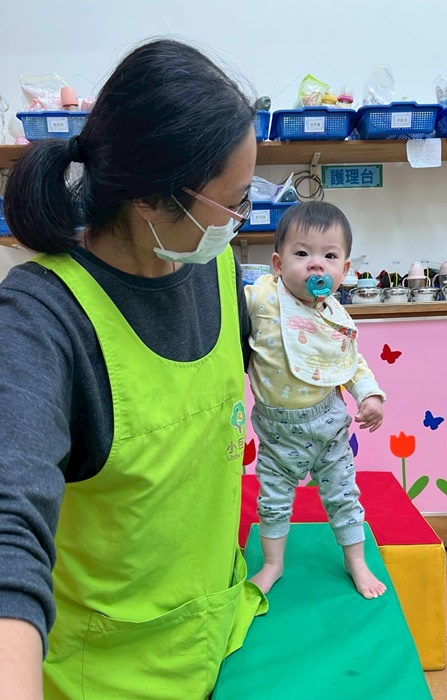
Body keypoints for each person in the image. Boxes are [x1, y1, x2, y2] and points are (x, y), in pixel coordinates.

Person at [0, 38, 267, 699]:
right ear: (150, 198)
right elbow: (10, 525)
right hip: (105, 677)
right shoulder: (41, 319)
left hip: (217, 637)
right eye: (232, 203)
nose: (240, 221)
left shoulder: (217, 266)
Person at [245, 201, 387, 598]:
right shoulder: (262, 298)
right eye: (302, 253)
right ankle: (273, 564)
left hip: (328, 429)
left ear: (344, 269)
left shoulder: (335, 316)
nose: (316, 265)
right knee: (273, 501)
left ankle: (356, 561)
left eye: (330, 256)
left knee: (344, 496)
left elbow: (351, 362)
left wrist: (370, 395)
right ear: (278, 263)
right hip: (277, 434)